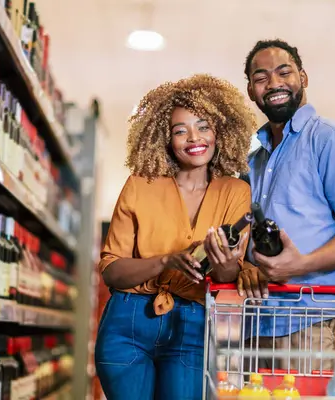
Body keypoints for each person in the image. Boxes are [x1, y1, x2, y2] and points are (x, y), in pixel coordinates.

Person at [95, 74, 257, 399]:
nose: (193, 138)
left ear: (220, 131)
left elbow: (226, 275)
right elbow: (111, 270)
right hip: (127, 322)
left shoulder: (236, 191)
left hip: (192, 324)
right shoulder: (141, 184)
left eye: (203, 127)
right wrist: (166, 261)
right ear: (164, 139)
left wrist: (224, 262)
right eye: (180, 130)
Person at [237, 39, 335, 371]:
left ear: (303, 77)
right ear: (250, 90)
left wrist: (299, 265)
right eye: (261, 77)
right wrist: (246, 266)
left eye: (284, 72)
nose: (274, 83)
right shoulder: (253, 162)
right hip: (261, 325)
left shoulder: (332, 139)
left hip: (316, 322)